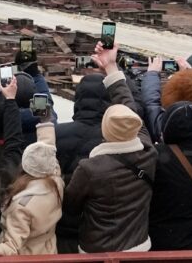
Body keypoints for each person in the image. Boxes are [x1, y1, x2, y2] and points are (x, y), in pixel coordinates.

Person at [62, 42, 156, 253]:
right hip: (138, 247)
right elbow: (130, 108)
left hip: (96, 249)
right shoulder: (148, 151)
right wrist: (111, 67)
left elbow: (70, 206)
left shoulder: (90, 169)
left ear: (105, 131)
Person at [0, 99, 63, 260]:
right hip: (47, 249)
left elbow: (11, 247)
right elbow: (48, 146)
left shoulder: (22, 206)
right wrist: (45, 117)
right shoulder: (55, 179)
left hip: (27, 255)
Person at [144, 58, 192, 250]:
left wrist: (151, 75)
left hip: (164, 242)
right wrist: (190, 75)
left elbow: (150, 103)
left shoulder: (156, 154)